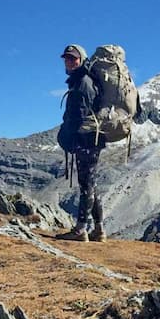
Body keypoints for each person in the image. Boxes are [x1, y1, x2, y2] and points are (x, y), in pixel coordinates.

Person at [56, 43, 106, 242]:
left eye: (73, 58)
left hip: (86, 140)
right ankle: (99, 230)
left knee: (86, 185)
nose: (69, 61)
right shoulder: (84, 80)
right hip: (92, 139)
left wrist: (71, 135)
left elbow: (79, 115)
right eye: (67, 58)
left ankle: (81, 229)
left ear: (81, 59)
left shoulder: (82, 82)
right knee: (91, 184)